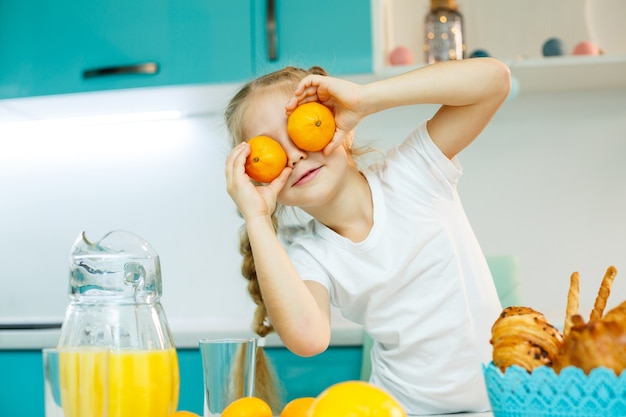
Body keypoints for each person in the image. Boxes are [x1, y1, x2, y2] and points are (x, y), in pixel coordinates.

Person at [224, 59, 511, 415]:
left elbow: (494, 81)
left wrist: (365, 99)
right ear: (260, 177)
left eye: (299, 130)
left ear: (340, 127)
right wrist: (256, 217)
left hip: (500, 405)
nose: (295, 156)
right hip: (397, 410)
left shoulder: (414, 172)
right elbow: (309, 339)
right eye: (271, 150)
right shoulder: (311, 255)